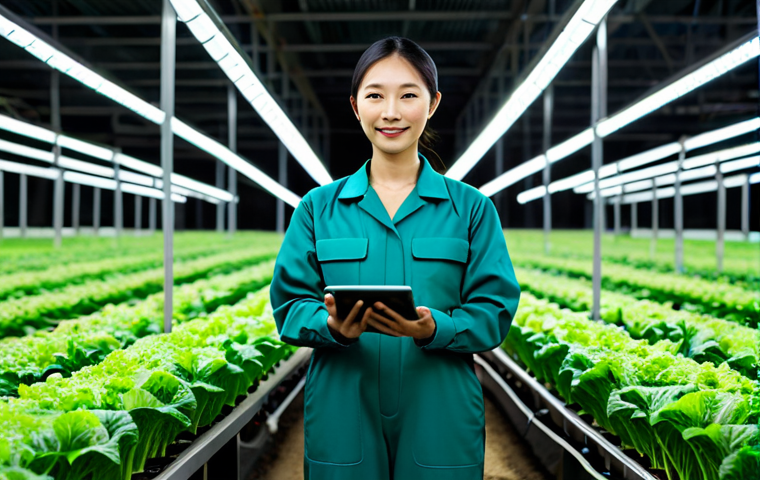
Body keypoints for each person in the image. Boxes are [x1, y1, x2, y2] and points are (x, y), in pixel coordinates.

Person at [269, 36, 521, 480]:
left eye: (408, 95)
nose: (390, 112)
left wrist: (436, 327)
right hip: (343, 400)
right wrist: (329, 324)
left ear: (433, 103)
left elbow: (495, 310)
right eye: (375, 95)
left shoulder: (471, 209)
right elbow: (290, 304)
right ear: (355, 106)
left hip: (438, 401)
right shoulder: (317, 208)